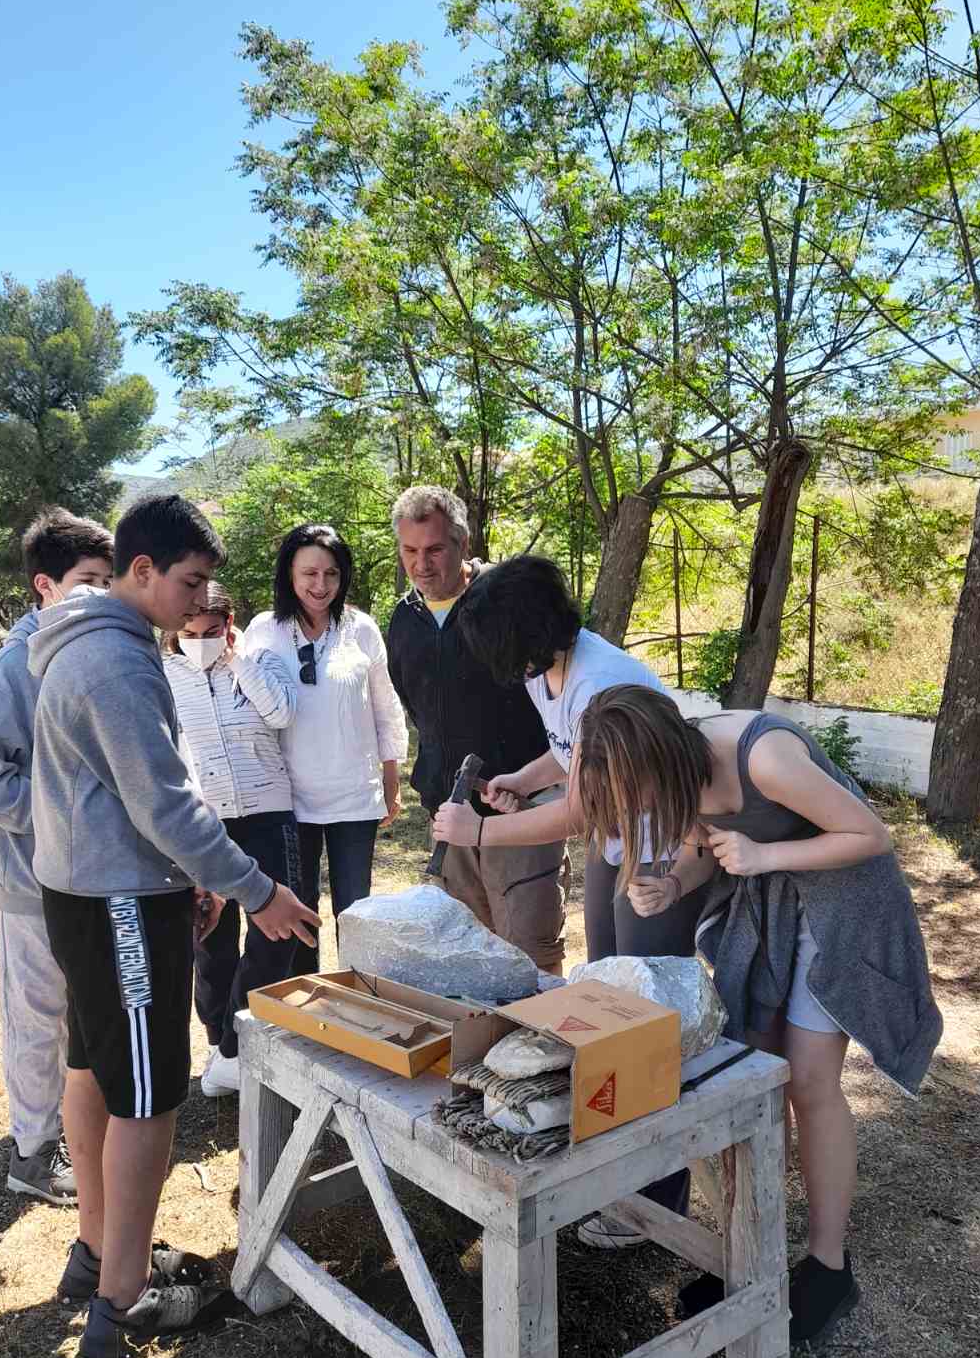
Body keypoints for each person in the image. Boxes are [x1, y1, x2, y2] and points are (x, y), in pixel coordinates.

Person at [28, 494, 320, 1358]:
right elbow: (161, 800)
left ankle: (96, 1251)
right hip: (116, 900)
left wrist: (187, 876)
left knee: (91, 1066)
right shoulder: (115, 664)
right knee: (148, 1097)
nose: (199, 603)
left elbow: (126, 790)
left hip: (88, 889)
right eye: (189, 581)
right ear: (142, 569)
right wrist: (252, 885)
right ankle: (123, 1299)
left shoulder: (84, 639)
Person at [570, 684, 943, 1347]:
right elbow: (701, 845)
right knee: (758, 1079)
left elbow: (869, 833)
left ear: (661, 761)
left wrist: (766, 856)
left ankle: (828, 1268)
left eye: (640, 800)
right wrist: (676, 882)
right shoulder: (676, 774)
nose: (643, 815)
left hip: (841, 905)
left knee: (808, 1082)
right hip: (769, 907)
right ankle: (756, 1256)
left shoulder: (761, 756)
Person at [432, 554, 698, 1246]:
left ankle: (659, 1198)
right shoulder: (548, 667)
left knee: (643, 1017)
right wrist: (522, 778)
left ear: (529, 632)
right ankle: (616, 1173)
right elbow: (567, 755)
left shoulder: (598, 679)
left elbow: (579, 807)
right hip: (619, 842)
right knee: (605, 1006)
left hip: (659, 852)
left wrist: (482, 828)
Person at [0, 507, 115, 1206]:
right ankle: (32, 1154)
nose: (99, 595)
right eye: (86, 581)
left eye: (108, 581)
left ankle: (77, 1135)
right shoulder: (11, 668)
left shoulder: (91, 654)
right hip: (30, 879)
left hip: (92, 877)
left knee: (82, 1012)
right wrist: (63, 818)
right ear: (43, 586)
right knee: (37, 1017)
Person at [386, 487, 568, 974]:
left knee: (528, 952)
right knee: (466, 955)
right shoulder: (404, 619)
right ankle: (482, 1050)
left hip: (518, 810)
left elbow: (552, 697)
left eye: (435, 548)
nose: (421, 564)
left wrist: (529, 781)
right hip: (447, 813)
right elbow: (413, 705)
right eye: (409, 551)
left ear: (463, 544)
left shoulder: (502, 607)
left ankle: (544, 1048)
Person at [162, 580, 303, 1099]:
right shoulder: (163, 675)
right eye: (190, 631)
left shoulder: (257, 662)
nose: (200, 640)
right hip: (203, 823)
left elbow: (282, 714)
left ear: (229, 624)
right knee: (212, 941)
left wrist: (238, 658)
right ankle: (219, 1039)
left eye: (211, 630)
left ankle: (239, 1046)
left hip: (268, 813)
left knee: (278, 931)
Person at [242, 523, 407, 935]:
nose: (321, 584)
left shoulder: (362, 629)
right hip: (287, 798)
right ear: (289, 575)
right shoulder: (264, 630)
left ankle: (355, 993)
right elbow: (244, 706)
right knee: (300, 911)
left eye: (331, 573)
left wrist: (392, 780)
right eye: (309, 574)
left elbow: (386, 708)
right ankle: (303, 996)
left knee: (356, 913)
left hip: (355, 796)